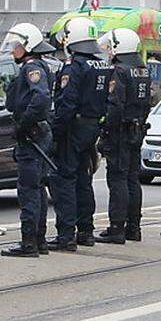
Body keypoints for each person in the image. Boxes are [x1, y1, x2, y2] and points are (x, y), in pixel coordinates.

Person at [48, 17, 112, 251]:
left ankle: (66, 235)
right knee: (84, 179)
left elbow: (67, 103)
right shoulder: (102, 65)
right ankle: (86, 231)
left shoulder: (73, 67)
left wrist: (55, 133)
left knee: (65, 180)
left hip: (73, 128)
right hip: (91, 126)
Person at [0, 23, 55, 258]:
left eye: (17, 45)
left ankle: (29, 242)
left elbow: (40, 97)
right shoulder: (34, 66)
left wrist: (24, 125)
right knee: (37, 188)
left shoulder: (32, 67)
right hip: (38, 134)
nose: (13, 50)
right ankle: (38, 240)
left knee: (29, 189)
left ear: (28, 45)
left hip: (33, 135)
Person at [96, 28, 153, 245]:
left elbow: (115, 105)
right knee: (132, 179)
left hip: (120, 132)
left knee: (117, 179)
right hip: (136, 130)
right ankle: (134, 227)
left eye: (111, 47)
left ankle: (117, 228)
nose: (109, 52)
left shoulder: (119, 71)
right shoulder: (143, 70)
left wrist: (106, 133)